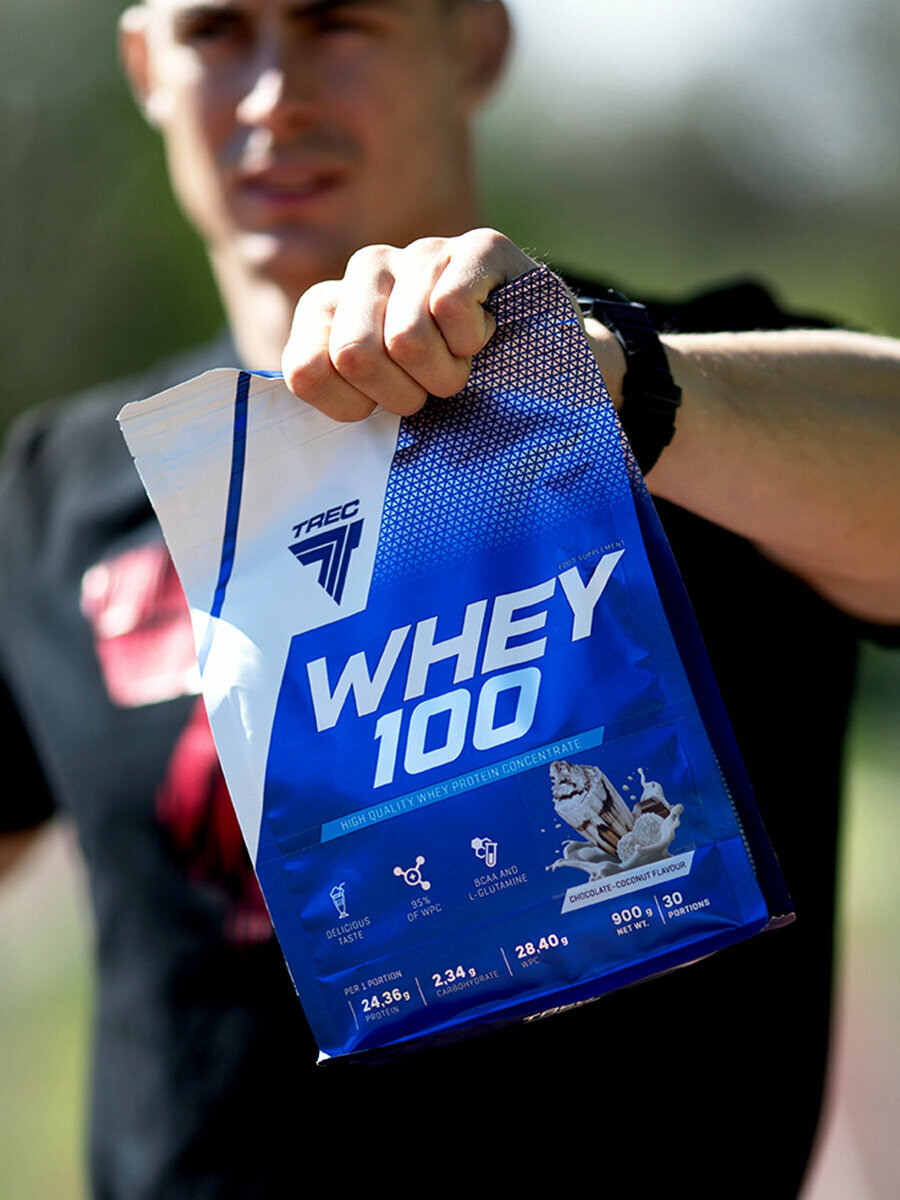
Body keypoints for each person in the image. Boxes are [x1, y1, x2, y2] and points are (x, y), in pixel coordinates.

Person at [0, 1, 897, 1197]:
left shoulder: (670, 396)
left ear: (473, 42)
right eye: (215, 30)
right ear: (143, 66)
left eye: (337, 21)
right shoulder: (59, 492)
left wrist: (604, 382)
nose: (273, 95)